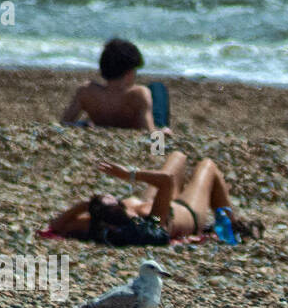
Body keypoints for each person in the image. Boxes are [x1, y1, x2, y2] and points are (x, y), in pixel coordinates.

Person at [46, 150, 263, 244]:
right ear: (118, 208)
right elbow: (166, 181)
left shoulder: (100, 222)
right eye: (110, 198)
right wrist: (127, 174)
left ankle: (227, 219)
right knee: (207, 166)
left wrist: (85, 205)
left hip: (159, 202)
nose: (111, 195)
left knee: (178, 157)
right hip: (186, 212)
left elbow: (56, 225)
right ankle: (231, 225)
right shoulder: (152, 223)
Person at [60, 38, 159, 131]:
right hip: (135, 126)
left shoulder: (86, 91)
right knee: (157, 88)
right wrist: (161, 132)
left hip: (100, 121)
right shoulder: (139, 94)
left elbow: (65, 123)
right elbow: (149, 131)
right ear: (129, 73)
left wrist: (83, 125)